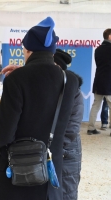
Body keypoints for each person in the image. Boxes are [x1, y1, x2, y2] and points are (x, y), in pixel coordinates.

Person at [0, 16, 80, 200]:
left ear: (27, 49)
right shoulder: (70, 80)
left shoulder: (16, 79)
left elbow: (3, 134)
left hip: (17, 175)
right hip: (51, 173)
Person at [53, 49, 83, 200]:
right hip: (50, 150)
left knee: (66, 191)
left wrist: (53, 147)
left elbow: (72, 128)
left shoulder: (73, 91)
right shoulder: (44, 89)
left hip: (66, 150)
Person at [87, 28, 111, 135]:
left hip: (99, 81)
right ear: (109, 36)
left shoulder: (98, 49)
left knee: (96, 105)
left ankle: (91, 128)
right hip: (109, 82)